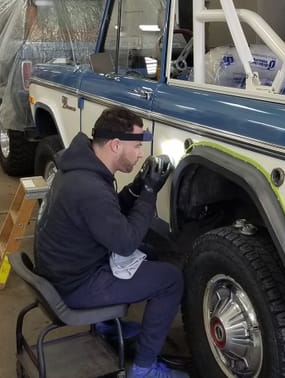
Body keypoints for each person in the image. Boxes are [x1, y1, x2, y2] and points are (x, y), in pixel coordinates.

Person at [34, 107, 187, 378]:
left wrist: (137, 186)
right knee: (171, 279)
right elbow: (125, 243)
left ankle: (105, 325)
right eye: (138, 145)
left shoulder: (81, 167)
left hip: (63, 270)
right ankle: (143, 370)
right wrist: (150, 192)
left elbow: (107, 215)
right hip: (74, 285)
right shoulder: (89, 187)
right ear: (116, 145)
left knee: (149, 253)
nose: (141, 153)